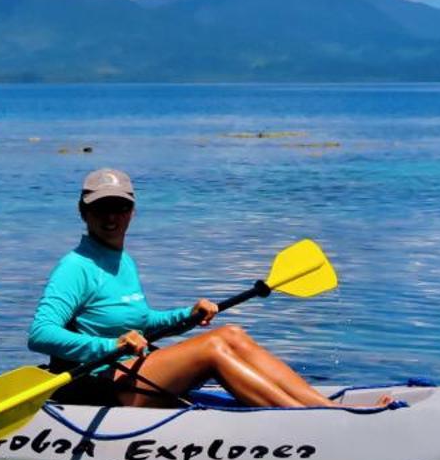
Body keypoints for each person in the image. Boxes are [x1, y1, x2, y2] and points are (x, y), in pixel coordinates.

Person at [27, 168, 342, 409]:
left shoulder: (124, 261)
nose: (111, 217)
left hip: (135, 372)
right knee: (212, 349)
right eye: (101, 208)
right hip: (102, 386)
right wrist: (110, 346)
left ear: (132, 211)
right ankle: (299, 420)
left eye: (119, 207)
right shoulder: (75, 267)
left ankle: (325, 409)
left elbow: (142, 322)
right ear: (83, 212)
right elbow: (40, 333)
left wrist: (187, 315)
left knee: (231, 334)